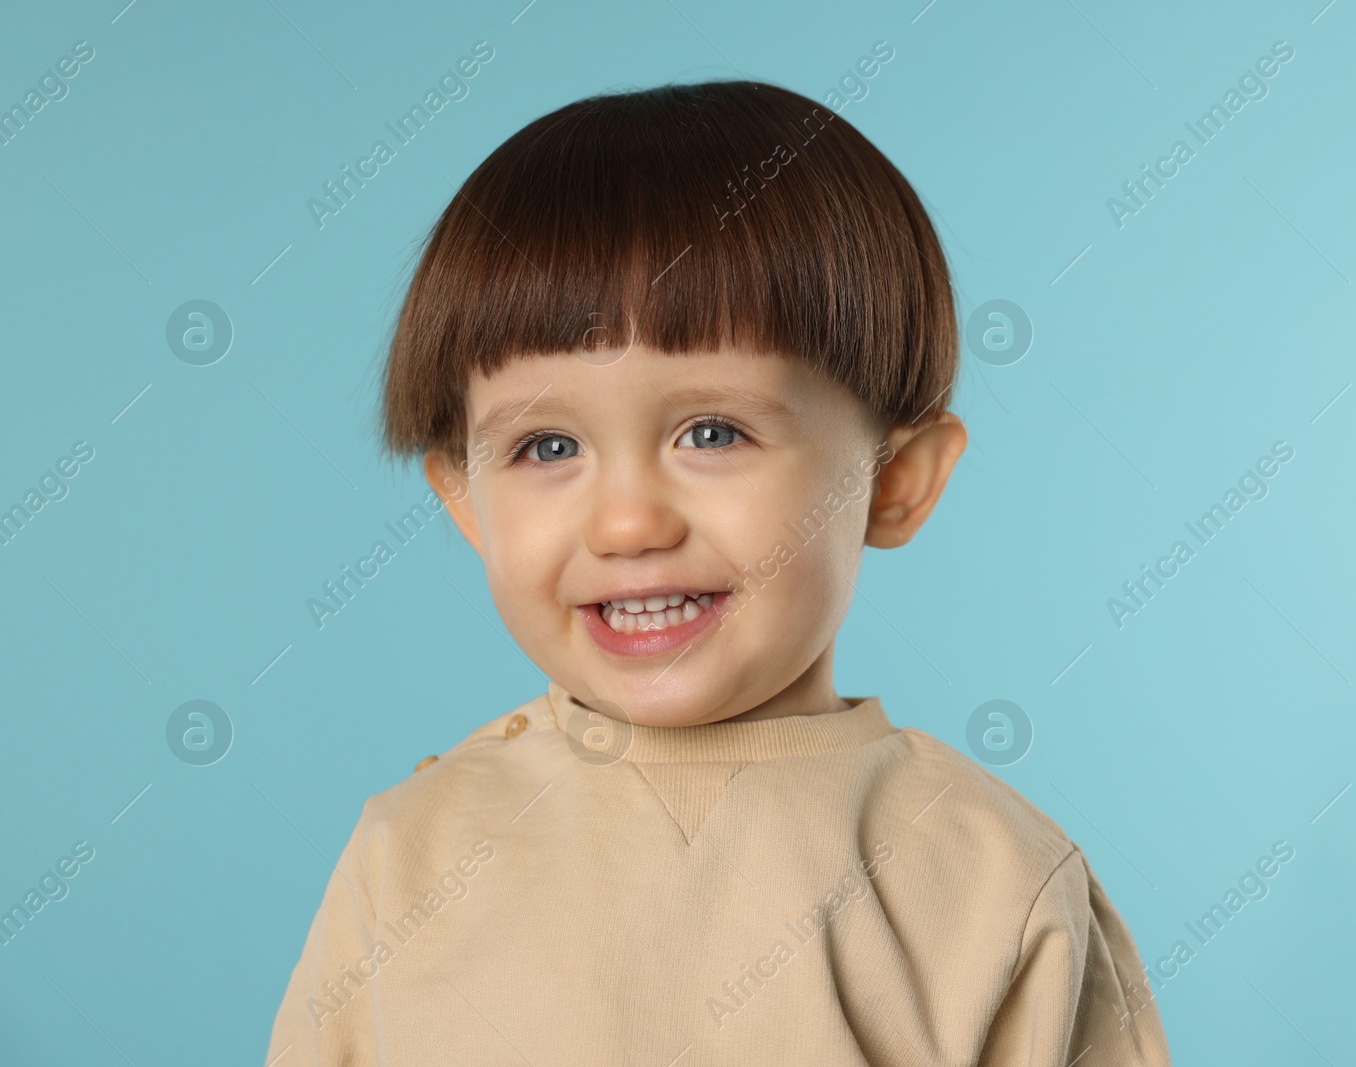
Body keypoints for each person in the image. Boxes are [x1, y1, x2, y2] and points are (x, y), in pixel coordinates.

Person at [266, 77, 1171, 1066]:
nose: (627, 521)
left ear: (894, 481)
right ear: (464, 498)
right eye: (546, 448)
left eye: (712, 431)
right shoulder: (410, 856)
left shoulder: (992, 878)